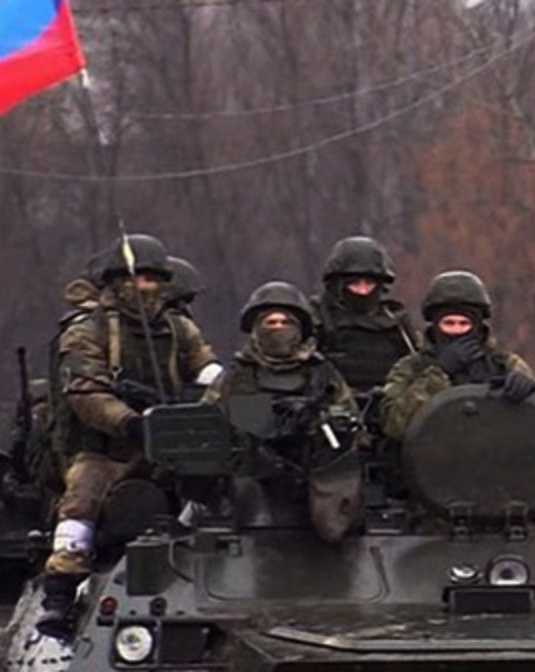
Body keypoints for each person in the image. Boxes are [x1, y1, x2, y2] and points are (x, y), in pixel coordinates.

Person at [39, 234, 219, 639]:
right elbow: (85, 393)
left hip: (169, 442)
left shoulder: (179, 329)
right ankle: (60, 593)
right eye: (138, 280)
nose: (146, 288)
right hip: (106, 448)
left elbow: (209, 371)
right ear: (116, 282)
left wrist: (216, 403)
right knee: (83, 500)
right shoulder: (87, 331)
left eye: (153, 280)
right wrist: (130, 422)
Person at [202, 281, 363, 545]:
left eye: (286, 322)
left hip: (320, 484)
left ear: (300, 329)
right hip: (251, 487)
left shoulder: (322, 373)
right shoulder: (237, 377)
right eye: (270, 322)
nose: (278, 328)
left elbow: (352, 423)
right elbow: (205, 424)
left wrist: (325, 425)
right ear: (256, 328)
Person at [380, 270, 535, 441]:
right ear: (435, 325)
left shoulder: (506, 364)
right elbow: (394, 425)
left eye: (464, 324)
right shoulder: (411, 368)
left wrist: (530, 392)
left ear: (477, 326)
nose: (456, 331)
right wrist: (439, 374)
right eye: (448, 323)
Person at [312, 237, 418, 397]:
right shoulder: (318, 319)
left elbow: (416, 368)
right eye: (354, 284)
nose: (362, 291)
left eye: (369, 284)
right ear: (338, 284)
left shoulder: (395, 322)